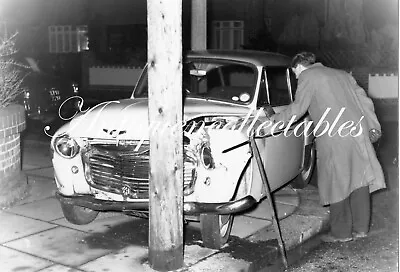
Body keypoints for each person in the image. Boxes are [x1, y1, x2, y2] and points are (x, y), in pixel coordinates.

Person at [270, 52, 386, 243]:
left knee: (337, 182)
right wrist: (374, 127)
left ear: (299, 66)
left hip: (335, 137)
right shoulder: (343, 75)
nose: (296, 77)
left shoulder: (308, 76)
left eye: (295, 73)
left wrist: (275, 121)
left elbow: (298, 108)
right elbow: (365, 102)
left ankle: (342, 234)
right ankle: (361, 229)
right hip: (358, 133)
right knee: (360, 179)